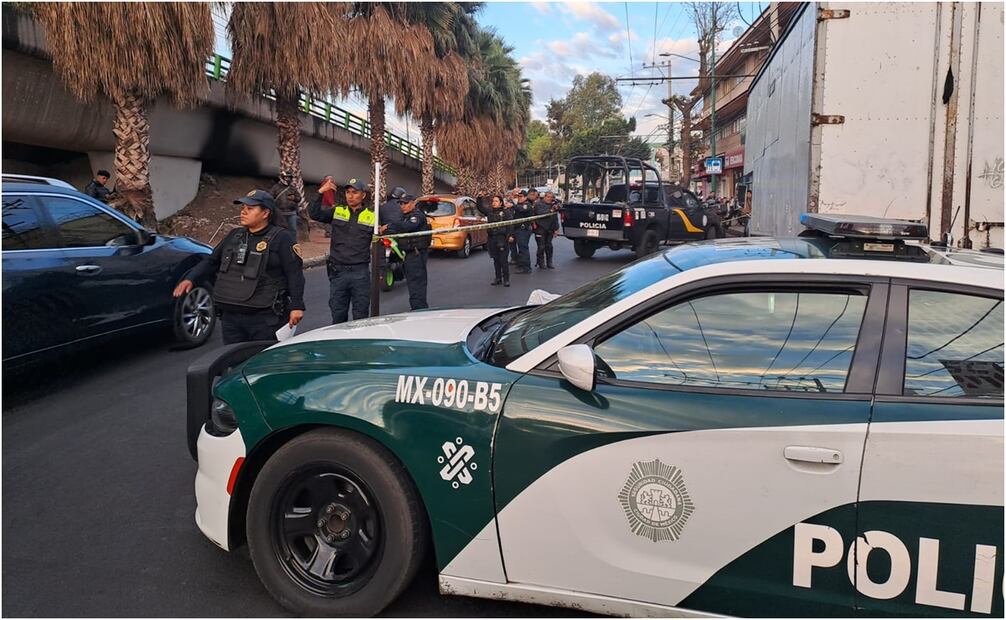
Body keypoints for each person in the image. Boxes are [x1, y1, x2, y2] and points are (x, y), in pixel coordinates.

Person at [173, 189, 305, 344]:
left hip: (264, 318)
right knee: (234, 357)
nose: (243, 212)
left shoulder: (282, 238)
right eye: (243, 208)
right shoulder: (235, 235)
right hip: (231, 318)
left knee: (261, 358)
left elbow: (294, 273)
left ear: (265, 213)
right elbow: (212, 261)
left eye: (250, 209)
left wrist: (297, 306)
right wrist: (190, 279)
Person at [309, 176, 376, 324]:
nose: (350, 196)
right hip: (338, 273)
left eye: (355, 192)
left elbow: (384, 237)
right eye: (348, 192)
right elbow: (314, 213)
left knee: (360, 316)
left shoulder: (372, 216)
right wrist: (321, 192)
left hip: (360, 273)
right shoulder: (337, 211)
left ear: (363, 195)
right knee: (338, 314)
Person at [381, 194, 430, 310]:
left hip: (416, 255)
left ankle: (419, 310)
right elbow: (398, 229)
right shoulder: (405, 216)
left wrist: (389, 226)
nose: (402, 206)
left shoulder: (417, 216)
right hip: (409, 255)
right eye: (401, 203)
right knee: (413, 284)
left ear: (413, 203)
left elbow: (407, 227)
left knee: (416, 284)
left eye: (405, 203)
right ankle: (417, 308)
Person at [479, 195, 514, 287]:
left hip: (502, 238)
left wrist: (510, 235)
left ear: (501, 203)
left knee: (503, 260)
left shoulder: (506, 212)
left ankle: (506, 279)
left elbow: (510, 225)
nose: (494, 203)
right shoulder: (490, 211)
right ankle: (498, 278)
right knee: (496, 260)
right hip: (492, 238)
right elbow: (481, 208)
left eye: (496, 201)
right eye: (493, 201)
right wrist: (479, 197)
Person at [533, 190, 561, 269]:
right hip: (540, 228)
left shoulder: (553, 204)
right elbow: (541, 213)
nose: (549, 199)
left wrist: (556, 229)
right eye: (548, 197)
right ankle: (540, 262)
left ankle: (549, 262)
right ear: (544, 197)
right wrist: (551, 210)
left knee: (549, 246)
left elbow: (555, 218)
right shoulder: (538, 204)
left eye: (551, 197)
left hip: (550, 228)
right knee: (541, 247)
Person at [269, 171, 302, 235]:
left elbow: (299, 198)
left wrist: (294, 198)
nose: (288, 179)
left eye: (289, 178)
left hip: (291, 213)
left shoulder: (293, 188)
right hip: (280, 213)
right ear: (282, 178)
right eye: (286, 177)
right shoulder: (276, 187)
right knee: (279, 229)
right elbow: (270, 197)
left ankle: (292, 241)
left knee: (293, 230)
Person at [512, 188, 535, 273]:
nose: (519, 198)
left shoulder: (527, 204)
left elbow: (521, 209)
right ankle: (521, 264)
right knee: (521, 248)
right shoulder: (518, 204)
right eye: (518, 196)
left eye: (521, 196)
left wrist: (513, 204)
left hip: (523, 230)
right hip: (518, 229)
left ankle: (526, 267)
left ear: (525, 197)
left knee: (523, 248)